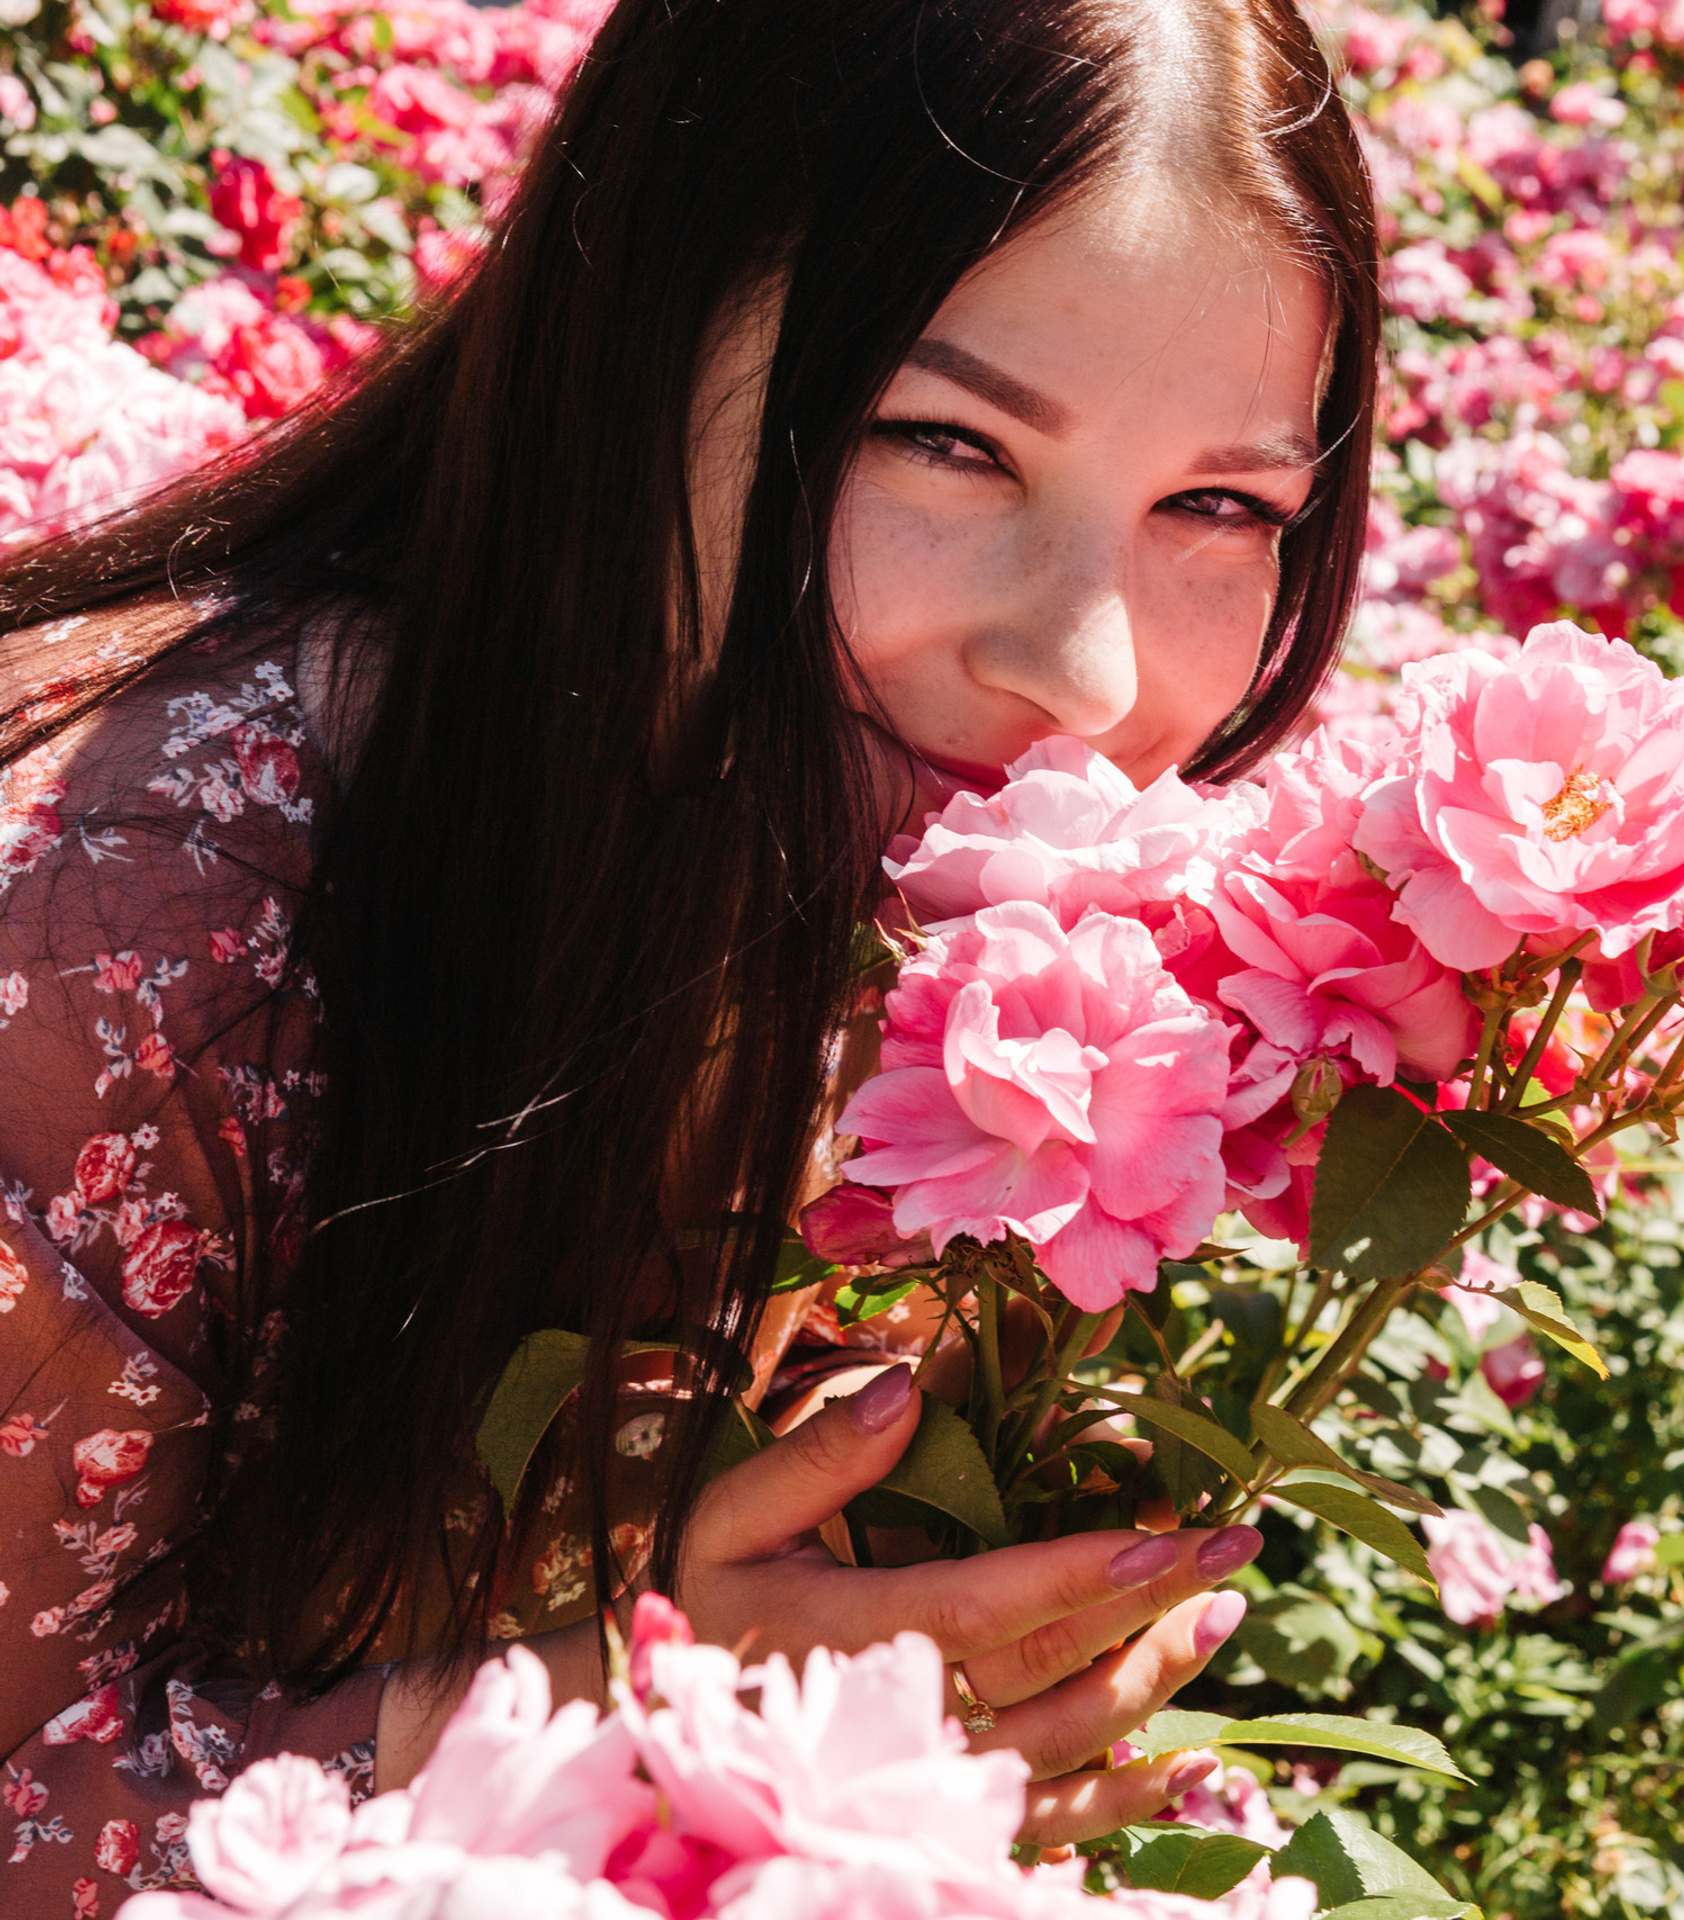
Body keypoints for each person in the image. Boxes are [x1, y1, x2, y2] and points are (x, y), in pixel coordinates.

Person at [0, 0, 1378, 1904]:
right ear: (630, 336)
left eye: (1218, 506)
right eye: (947, 441)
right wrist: (642, 1732)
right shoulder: (118, 929)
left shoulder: (899, 854)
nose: (1090, 679)